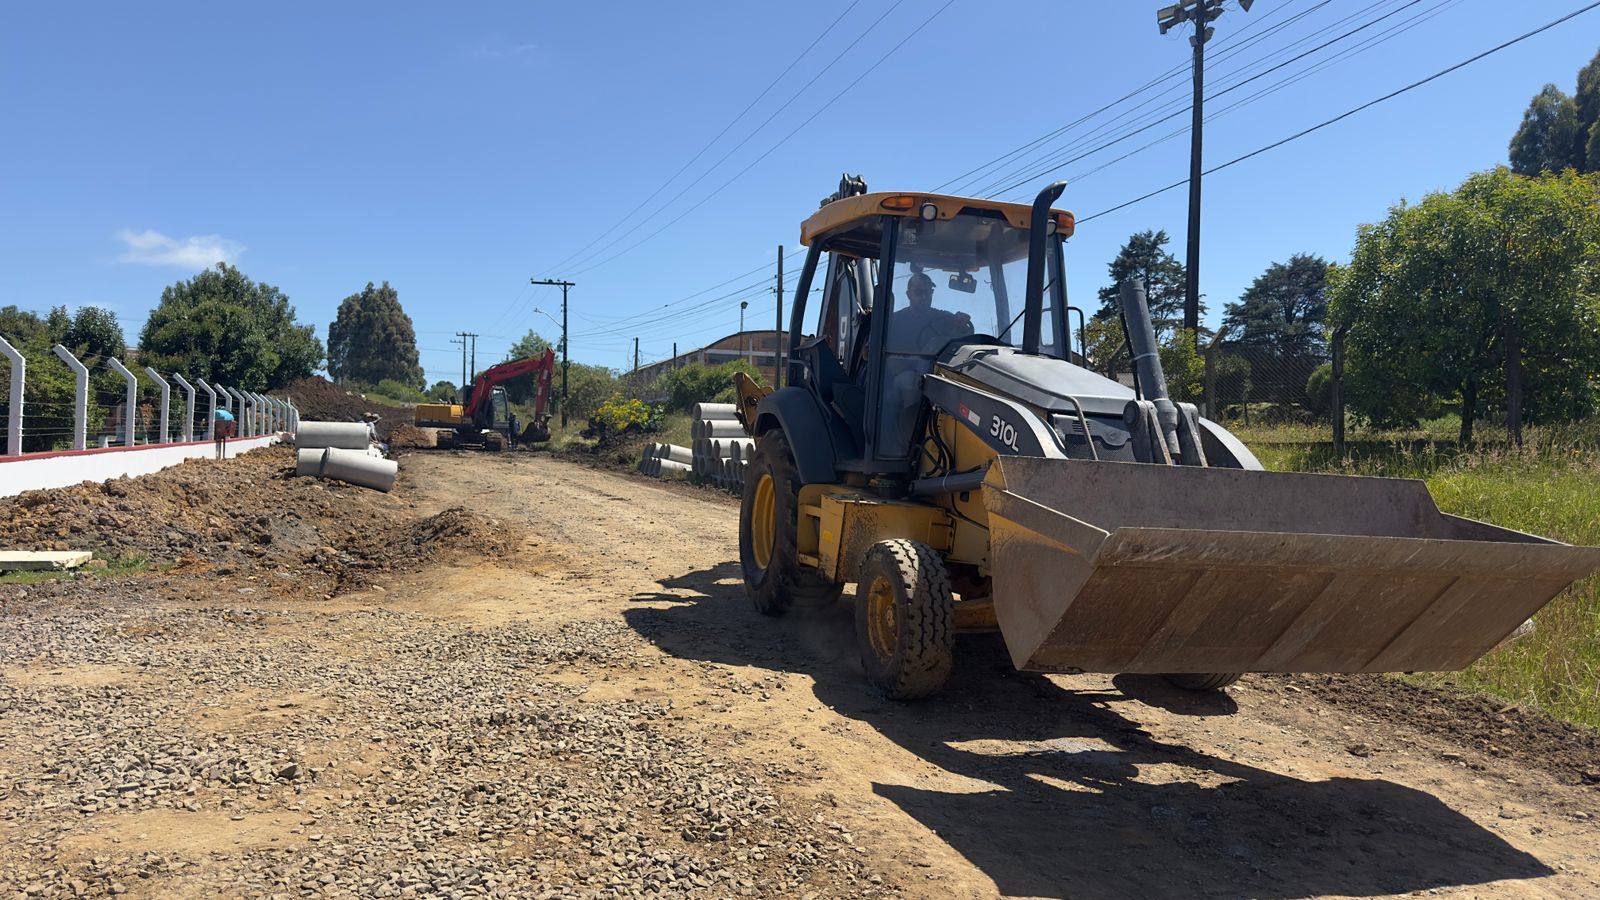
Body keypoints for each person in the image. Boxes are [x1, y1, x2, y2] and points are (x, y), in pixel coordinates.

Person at [890, 271, 972, 354]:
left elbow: (965, 339)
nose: (924, 297)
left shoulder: (944, 319)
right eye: (918, 292)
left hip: (934, 366)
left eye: (928, 292)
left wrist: (962, 325)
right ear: (909, 295)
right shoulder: (893, 321)